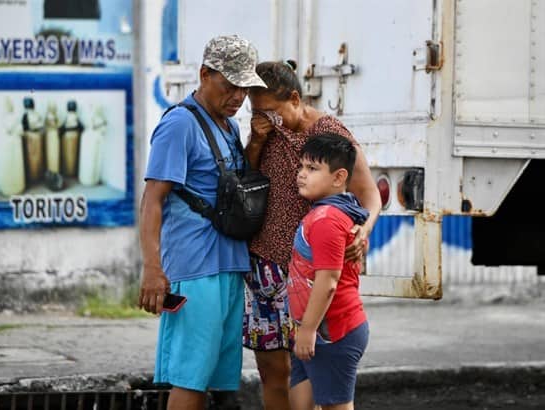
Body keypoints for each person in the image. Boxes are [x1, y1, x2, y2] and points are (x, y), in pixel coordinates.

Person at [138, 35, 267, 410]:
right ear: (205, 74)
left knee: (219, 381)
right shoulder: (179, 124)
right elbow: (152, 200)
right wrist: (152, 268)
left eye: (244, 88)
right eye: (230, 85)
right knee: (191, 380)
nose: (238, 97)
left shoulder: (228, 126)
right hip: (196, 269)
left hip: (230, 265)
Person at [243, 61, 381, 409]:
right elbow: (246, 180)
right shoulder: (264, 132)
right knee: (276, 372)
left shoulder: (328, 132)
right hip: (267, 265)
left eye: (270, 112)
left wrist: (362, 232)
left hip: (308, 272)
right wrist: (257, 139)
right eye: (256, 112)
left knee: (316, 370)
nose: (264, 119)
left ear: (293, 98)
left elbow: (370, 195)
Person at [288, 133, 370, 410]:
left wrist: (308, 330)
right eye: (301, 167)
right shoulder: (324, 213)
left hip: (332, 332)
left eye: (312, 169)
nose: (301, 174)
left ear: (338, 178)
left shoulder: (326, 219)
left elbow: (329, 281)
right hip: (311, 331)